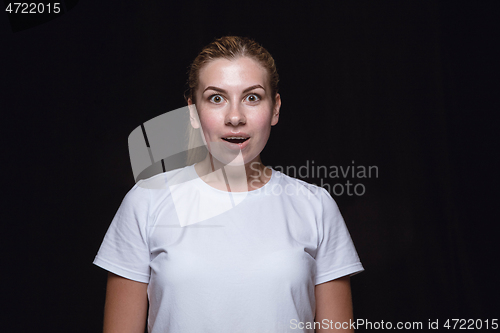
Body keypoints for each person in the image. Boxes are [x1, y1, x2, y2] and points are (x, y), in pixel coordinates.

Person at [93, 36, 364, 333]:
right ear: (193, 112)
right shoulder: (146, 201)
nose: (235, 117)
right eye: (216, 98)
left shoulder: (316, 206)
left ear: (275, 109)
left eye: (252, 97)